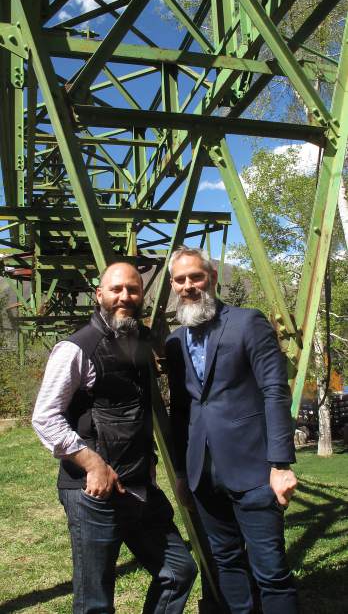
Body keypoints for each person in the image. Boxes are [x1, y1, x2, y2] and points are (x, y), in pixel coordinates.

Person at [32, 262, 197, 614]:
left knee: (179, 571)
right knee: (95, 601)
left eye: (133, 290)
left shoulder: (135, 342)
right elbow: (45, 417)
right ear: (100, 294)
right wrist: (91, 462)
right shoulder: (77, 348)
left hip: (137, 486)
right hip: (94, 492)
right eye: (116, 289)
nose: (125, 296)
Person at [165, 247, 299, 614]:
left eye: (196, 276)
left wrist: (281, 463)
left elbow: (274, 390)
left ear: (211, 277)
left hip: (254, 469)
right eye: (180, 279)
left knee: (271, 572)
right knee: (226, 563)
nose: (189, 286)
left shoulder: (246, 322)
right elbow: (181, 410)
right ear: (173, 285)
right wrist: (180, 472)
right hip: (203, 475)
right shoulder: (175, 341)